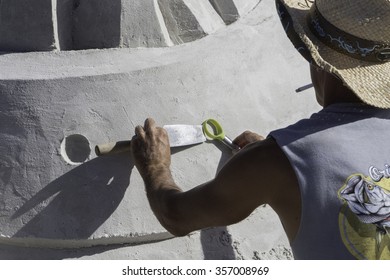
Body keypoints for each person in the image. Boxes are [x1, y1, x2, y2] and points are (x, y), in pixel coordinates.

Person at [131, 0, 390, 259]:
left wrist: (156, 168)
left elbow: (175, 215)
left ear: (315, 59)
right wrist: (275, 161)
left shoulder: (272, 161)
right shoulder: (275, 160)